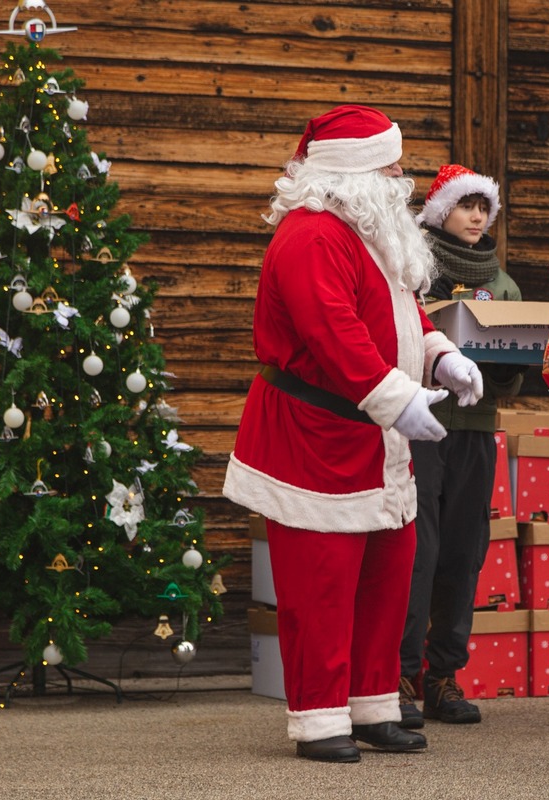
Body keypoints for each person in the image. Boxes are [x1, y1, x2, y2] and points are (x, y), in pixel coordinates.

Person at [222, 105, 484, 764]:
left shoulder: (369, 230)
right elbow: (333, 333)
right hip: (316, 435)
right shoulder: (311, 236)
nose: (402, 176)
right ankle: (318, 719)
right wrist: (399, 399)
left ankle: (373, 704)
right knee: (322, 589)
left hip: (374, 435)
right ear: (355, 170)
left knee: (386, 579)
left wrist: (438, 354)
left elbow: (398, 311)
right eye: (390, 164)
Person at [397, 164, 525, 728]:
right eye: (466, 205)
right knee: (417, 554)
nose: (477, 216)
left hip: (475, 432)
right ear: (440, 210)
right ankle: (399, 674)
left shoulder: (502, 284)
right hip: (420, 429)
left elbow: (515, 373)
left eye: (484, 208)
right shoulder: (412, 265)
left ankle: (444, 677)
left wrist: (501, 367)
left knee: (462, 553)